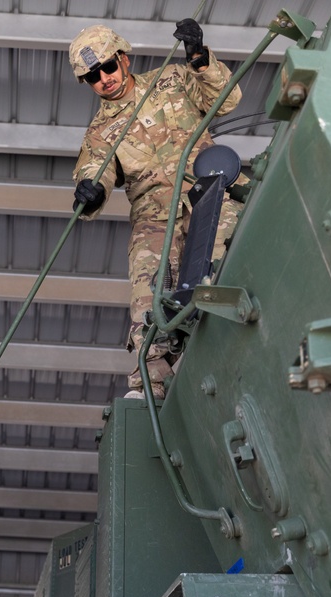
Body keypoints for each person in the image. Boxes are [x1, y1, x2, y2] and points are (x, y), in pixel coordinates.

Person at [69, 20, 244, 400]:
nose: (105, 79)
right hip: (153, 217)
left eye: (108, 67)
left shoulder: (172, 78)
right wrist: (91, 192)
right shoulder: (99, 134)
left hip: (209, 190)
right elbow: (95, 173)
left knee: (226, 255)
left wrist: (199, 58)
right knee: (148, 291)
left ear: (124, 59)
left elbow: (227, 100)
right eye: (94, 76)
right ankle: (148, 384)